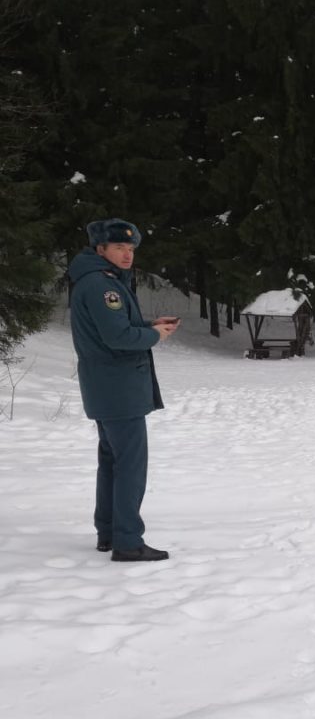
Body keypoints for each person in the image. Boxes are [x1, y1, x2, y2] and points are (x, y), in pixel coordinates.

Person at [68, 219, 179, 562]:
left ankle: (109, 532)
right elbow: (118, 337)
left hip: (107, 387)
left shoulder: (100, 281)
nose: (127, 254)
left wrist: (148, 326)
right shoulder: (103, 286)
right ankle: (128, 542)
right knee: (130, 466)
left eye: (130, 249)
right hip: (118, 389)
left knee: (112, 462)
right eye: (119, 247)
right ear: (100, 249)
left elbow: (115, 328)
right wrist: (154, 335)